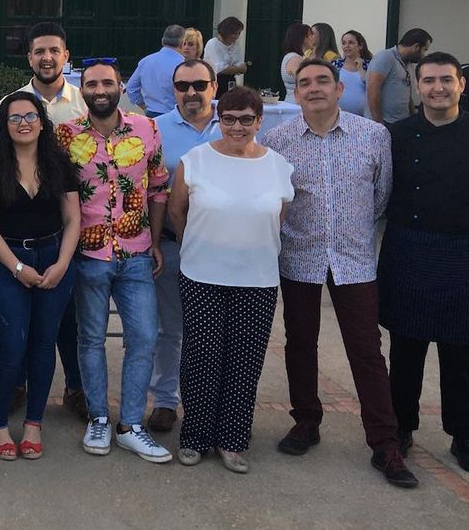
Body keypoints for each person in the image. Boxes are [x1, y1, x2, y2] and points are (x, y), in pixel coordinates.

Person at [261, 58, 417, 489]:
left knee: (366, 350)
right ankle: (306, 421)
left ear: (338, 88)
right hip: (300, 257)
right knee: (300, 344)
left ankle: (385, 443)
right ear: (296, 93)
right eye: (304, 82)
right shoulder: (278, 141)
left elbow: (381, 196)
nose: (313, 88)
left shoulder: (373, 136)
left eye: (322, 81)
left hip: (355, 260)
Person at [382, 53, 469, 476]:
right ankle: (401, 429)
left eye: (446, 79)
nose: (438, 88)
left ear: (462, 85)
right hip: (408, 247)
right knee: (405, 349)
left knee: (460, 351)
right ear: (418, 87)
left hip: (463, 251)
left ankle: (464, 436)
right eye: (429, 81)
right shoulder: (397, 135)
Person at [166, 86, 294, 474]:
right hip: (202, 273)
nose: (237, 126)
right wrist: (204, 245)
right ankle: (195, 436)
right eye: (229, 118)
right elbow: (177, 212)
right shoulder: (196, 160)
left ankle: (234, 440)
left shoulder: (278, 165)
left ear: (259, 121)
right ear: (219, 119)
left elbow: (279, 217)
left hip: (257, 277)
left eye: (246, 119)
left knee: (245, 360)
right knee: (201, 357)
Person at [59, 60, 172, 463]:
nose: (100, 89)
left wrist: (156, 241)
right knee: (89, 339)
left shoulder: (147, 128)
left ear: (121, 86)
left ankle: (131, 425)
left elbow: (159, 187)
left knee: (143, 337)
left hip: (137, 253)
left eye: (108, 82)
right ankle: (99, 418)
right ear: (83, 89)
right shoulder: (66, 135)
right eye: (92, 84)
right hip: (87, 256)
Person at [0, 21, 90, 421]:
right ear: (28, 56)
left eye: (54, 51)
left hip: (73, 227)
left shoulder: (86, 102)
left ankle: (76, 388)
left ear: (66, 56)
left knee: (68, 322)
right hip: (19, 232)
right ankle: (17, 387)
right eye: (39, 51)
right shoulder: (8, 105)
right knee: (20, 331)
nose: (47, 57)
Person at [0, 90, 80, 461]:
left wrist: (62, 264)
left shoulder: (60, 164)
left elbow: (72, 220)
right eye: (15, 118)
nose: (23, 123)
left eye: (30, 116)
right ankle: (0, 422)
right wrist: (18, 268)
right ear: (4, 126)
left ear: (41, 121)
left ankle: (34, 422)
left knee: (43, 342)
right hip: (6, 260)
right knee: (12, 344)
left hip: (54, 257)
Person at [147, 58, 222, 434]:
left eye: (199, 84)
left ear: (214, 87)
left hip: (223, 249)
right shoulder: (154, 130)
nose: (191, 92)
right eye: (182, 86)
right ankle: (164, 400)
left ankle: (213, 403)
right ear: (173, 90)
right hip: (173, 243)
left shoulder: (237, 126)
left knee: (215, 330)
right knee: (170, 328)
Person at [367, 28, 431, 123]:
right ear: (416, 47)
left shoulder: (408, 64)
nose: (424, 55)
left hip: (402, 122)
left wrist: (413, 116)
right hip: (385, 123)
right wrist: (378, 123)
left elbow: (407, 95)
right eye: (424, 50)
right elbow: (372, 89)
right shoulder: (385, 58)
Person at [125, 24, 187, 117]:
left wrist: (143, 106)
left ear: (162, 41)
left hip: (151, 114)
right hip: (176, 115)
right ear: (183, 43)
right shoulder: (184, 65)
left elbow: (131, 88)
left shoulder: (146, 61)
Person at [334, 30, 373, 116]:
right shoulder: (335, 64)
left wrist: (361, 68)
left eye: (351, 43)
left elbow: (371, 86)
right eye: (344, 43)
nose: (346, 46)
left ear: (360, 46)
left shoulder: (370, 65)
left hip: (363, 117)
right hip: (338, 115)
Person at [204, 16, 248, 93]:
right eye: (234, 33)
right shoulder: (212, 44)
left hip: (231, 82)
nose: (236, 37)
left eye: (238, 33)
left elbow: (240, 64)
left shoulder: (236, 45)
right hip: (215, 82)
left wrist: (235, 68)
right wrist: (238, 69)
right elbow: (219, 69)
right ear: (226, 32)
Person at [280, 23, 315, 102]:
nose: (313, 38)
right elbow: (304, 80)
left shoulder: (294, 57)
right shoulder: (295, 59)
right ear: (304, 38)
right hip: (296, 103)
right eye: (310, 35)